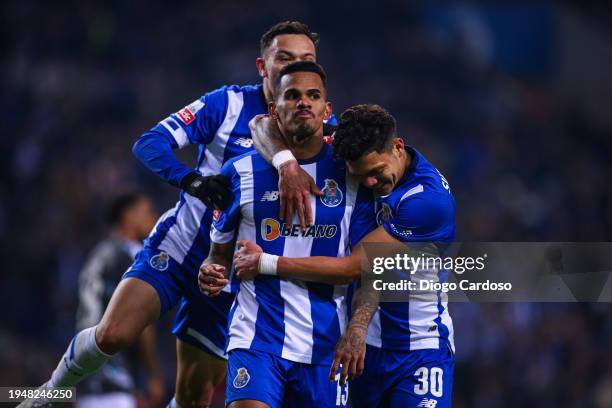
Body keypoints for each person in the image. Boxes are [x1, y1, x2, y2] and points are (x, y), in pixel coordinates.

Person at [19, 21, 331, 408]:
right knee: (114, 334)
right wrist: (192, 181)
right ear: (262, 66)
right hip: (182, 246)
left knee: (192, 396)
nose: (294, 67)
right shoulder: (227, 104)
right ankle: (44, 397)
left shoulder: (321, 127)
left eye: (306, 60)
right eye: (284, 58)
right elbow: (150, 143)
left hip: (231, 277)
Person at [229, 104, 456, 407]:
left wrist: (265, 263)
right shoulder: (355, 139)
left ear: (398, 147)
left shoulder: (429, 203)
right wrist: (287, 165)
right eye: (360, 177)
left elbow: (353, 268)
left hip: (419, 348)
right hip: (359, 351)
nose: (370, 184)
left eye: (375, 173)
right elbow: (261, 124)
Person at [197, 61, 377, 408]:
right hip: (256, 338)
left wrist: (357, 330)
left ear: (328, 110)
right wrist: (211, 273)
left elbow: (368, 267)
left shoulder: (352, 176)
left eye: (313, 96)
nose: (303, 103)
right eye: (292, 96)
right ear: (273, 110)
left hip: (325, 345)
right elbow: (217, 255)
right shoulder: (239, 171)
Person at [75, 192, 165, 408]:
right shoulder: (131, 258)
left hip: (86, 384)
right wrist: (154, 376)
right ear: (128, 216)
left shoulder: (96, 256)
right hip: (116, 384)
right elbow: (140, 324)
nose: (154, 218)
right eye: (147, 212)